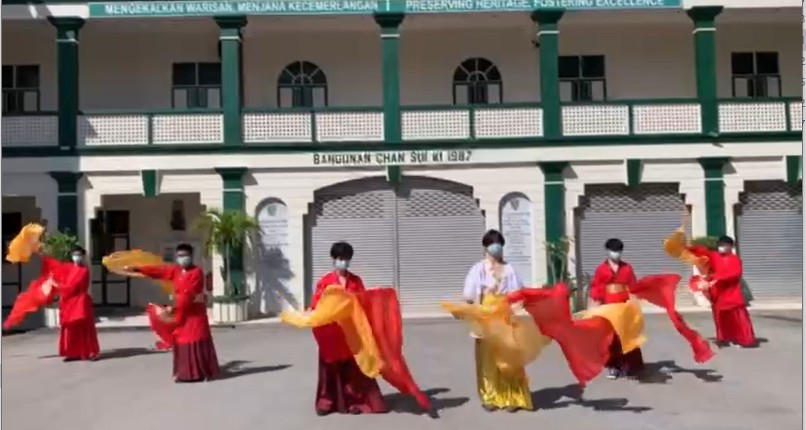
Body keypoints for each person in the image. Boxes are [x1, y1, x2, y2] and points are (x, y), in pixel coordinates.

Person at [310, 241, 387, 415]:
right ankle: (326, 402)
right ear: (333, 259)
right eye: (340, 258)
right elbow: (317, 305)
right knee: (329, 368)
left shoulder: (356, 281)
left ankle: (354, 402)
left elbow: (363, 303)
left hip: (351, 332)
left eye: (346, 258)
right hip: (331, 332)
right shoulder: (325, 282)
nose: (343, 262)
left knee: (352, 369)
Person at [126, 243, 220, 382]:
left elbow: (189, 294)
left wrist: (173, 309)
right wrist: (139, 269)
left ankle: (199, 372)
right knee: (181, 340)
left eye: (185, 255)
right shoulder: (176, 271)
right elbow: (160, 271)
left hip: (193, 314)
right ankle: (186, 373)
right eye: (179, 256)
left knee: (193, 340)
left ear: (191, 256)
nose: (182, 258)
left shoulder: (196, 273)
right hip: (182, 311)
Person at [463, 229, 533, 412]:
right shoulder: (478, 269)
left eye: (499, 244)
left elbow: (517, 295)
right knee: (487, 359)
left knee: (508, 358)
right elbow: (469, 296)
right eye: (493, 243)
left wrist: (516, 313)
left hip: (504, 317)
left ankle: (512, 396)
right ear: (486, 247)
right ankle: (489, 396)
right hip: (486, 317)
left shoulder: (509, 269)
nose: (496, 247)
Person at [589, 238, 644, 379]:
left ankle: (630, 366)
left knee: (626, 336)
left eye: (619, 251)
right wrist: (595, 305)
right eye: (614, 251)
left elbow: (633, 287)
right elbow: (596, 287)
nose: (616, 254)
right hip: (608, 305)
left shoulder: (627, 268)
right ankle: (613, 367)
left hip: (624, 305)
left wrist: (634, 304)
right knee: (611, 338)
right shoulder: (601, 269)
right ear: (607, 251)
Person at [690, 236, 757, 348]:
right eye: (720, 244)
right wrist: (688, 248)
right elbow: (704, 254)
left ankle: (743, 339)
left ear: (731, 246)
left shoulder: (735, 259)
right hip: (718, 294)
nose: (722, 247)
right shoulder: (715, 257)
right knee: (721, 318)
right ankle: (727, 338)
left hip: (732, 292)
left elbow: (735, 274)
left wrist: (718, 279)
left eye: (724, 245)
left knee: (737, 317)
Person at [46, 245, 100, 362]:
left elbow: (73, 287)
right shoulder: (68, 269)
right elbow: (61, 279)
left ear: (83, 256)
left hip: (80, 302)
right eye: (75, 255)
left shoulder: (84, 271)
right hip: (68, 302)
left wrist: (57, 285)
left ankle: (89, 352)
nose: (77, 257)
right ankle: (72, 353)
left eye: (79, 255)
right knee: (70, 329)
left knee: (83, 328)